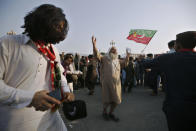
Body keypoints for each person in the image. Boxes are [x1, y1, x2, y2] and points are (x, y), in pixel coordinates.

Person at [0, 4, 74, 131]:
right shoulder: (8, 44)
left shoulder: (53, 51)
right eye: (57, 27)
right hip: (16, 123)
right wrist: (30, 98)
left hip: (51, 116)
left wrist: (66, 90)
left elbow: (60, 75)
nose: (61, 32)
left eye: (62, 28)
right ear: (42, 22)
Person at [142, 31, 196, 131]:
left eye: (175, 42)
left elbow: (146, 64)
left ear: (179, 44)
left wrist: (142, 58)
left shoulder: (167, 58)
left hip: (175, 109)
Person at [92, 36, 130, 122]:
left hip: (116, 83)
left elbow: (125, 64)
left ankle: (111, 113)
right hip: (107, 82)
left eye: (115, 50)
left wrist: (127, 56)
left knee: (116, 100)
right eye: (112, 50)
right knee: (107, 100)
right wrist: (94, 45)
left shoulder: (118, 60)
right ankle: (105, 112)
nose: (114, 51)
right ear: (109, 51)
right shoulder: (105, 58)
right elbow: (97, 55)